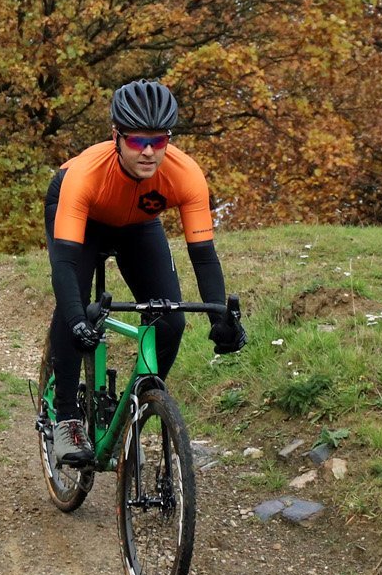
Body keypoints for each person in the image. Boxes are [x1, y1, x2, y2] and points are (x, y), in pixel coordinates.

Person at [44, 79, 246, 468]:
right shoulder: (85, 173)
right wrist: (75, 318)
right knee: (75, 311)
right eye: (137, 141)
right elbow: (65, 264)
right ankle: (67, 417)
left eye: (160, 139)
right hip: (81, 219)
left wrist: (221, 315)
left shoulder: (185, 174)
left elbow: (203, 256)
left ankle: (138, 408)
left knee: (171, 322)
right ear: (115, 136)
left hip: (138, 224)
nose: (150, 151)